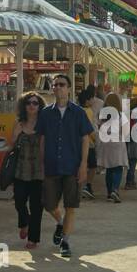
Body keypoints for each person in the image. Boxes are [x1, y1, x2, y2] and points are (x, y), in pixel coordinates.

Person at [36, 74, 93, 259]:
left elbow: (85, 138)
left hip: (72, 165)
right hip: (52, 165)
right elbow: (42, 139)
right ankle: (60, 223)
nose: (58, 88)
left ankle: (65, 241)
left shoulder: (78, 112)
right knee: (49, 204)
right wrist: (42, 163)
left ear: (69, 89)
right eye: (55, 85)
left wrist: (84, 164)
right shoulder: (45, 113)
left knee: (71, 206)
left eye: (61, 85)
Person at [9, 93, 50, 249]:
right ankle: (24, 222)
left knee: (36, 206)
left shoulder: (43, 124)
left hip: (38, 170)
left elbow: (45, 149)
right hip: (20, 169)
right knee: (19, 201)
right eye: (28, 103)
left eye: (35, 103)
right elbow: (12, 144)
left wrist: (47, 169)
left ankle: (33, 238)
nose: (32, 105)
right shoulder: (18, 123)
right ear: (24, 106)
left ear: (40, 106)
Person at [95, 91, 129, 203]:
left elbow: (98, 127)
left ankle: (109, 193)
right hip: (118, 143)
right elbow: (125, 131)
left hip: (106, 144)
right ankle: (115, 189)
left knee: (109, 169)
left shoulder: (102, 114)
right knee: (118, 168)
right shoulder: (121, 115)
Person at [78, 85, 100, 199]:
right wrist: (96, 140)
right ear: (87, 100)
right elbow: (90, 128)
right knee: (92, 166)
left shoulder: (76, 110)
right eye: (92, 99)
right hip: (88, 143)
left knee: (80, 165)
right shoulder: (89, 111)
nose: (93, 100)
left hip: (76, 144)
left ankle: (79, 187)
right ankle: (87, 186)